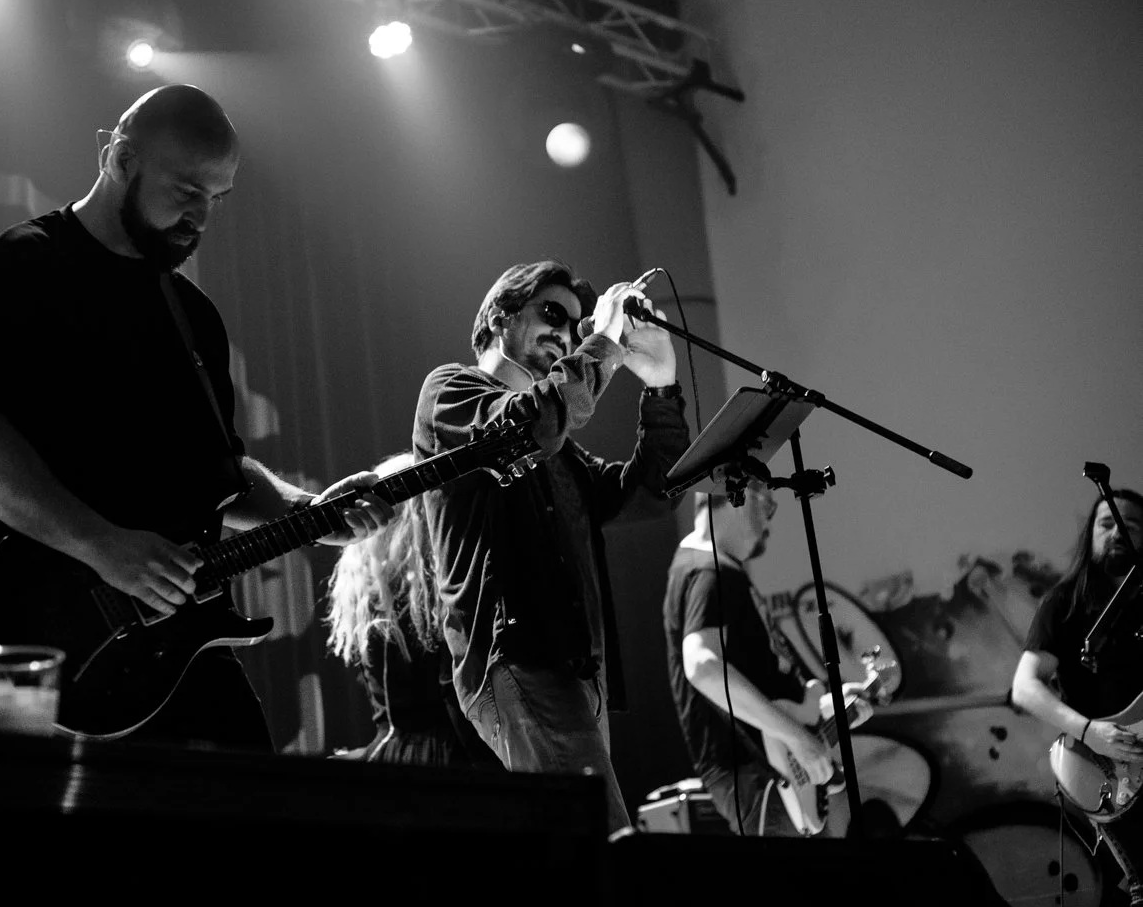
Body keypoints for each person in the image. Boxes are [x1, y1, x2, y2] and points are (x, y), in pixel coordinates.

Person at [0, 84, 392, 752]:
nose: (200, 215)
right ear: (119, 157)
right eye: (185, 188)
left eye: (216, 197)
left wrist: (315, 513)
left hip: (177, 646)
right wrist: (100, 545)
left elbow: (219, 476)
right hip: (41, 647)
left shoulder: (191, 318)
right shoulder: (24, 263)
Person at [412, 260, 691, 836]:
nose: (565, 333)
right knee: (603, 840)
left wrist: (662, 389)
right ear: (498, 318)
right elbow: (526, 429)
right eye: (552, 314)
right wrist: (602, 345)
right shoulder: (452, 391)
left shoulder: (562, 450)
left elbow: (648, 497)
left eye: (575, 324)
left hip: (576, 668)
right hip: (516, 656)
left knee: (581, 843)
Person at [663, 483, 864, 837]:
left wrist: (831, 711)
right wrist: (799, 740)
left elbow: (769, 683)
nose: (768, 523)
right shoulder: (709, 573)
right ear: (737, 499)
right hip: (758, 770)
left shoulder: (713, 570)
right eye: (767, 505)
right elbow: (701, 666)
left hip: (767, 768)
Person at [324, 452, 501, 768]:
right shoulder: (436, 595)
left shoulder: (370, 593)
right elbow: (453, 693)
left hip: (390, 755)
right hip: (449, 758)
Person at [1013, 488, 1143, 907]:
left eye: (1131, 526)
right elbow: (1025, 687)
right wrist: (1090, 731)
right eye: (1107, 524)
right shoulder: (1064, 603)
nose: (1118, 533)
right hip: (1104, 764)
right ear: (1090, 536)